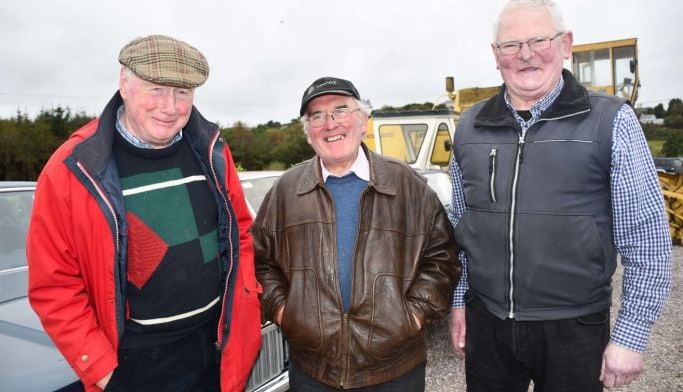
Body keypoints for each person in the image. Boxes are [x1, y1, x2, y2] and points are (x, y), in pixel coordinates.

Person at [448, 1, 673, 390]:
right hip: (487, 322)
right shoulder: (469, 126)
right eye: (511, 45)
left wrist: (630, 336)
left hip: (575, 328)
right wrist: (460, 299)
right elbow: (461, 225)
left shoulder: (611, 121)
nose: (526, 54)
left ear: (566, 44)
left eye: (539, 39)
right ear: (495, 56)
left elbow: (647, 238)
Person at [27, 34, 262, 392]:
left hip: (215, 350)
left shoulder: (213, 151)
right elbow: (54, 286)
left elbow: (241, 235)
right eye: (155, 89)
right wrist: (106, 373)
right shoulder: (73, 168)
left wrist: (244, 310)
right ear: (124, 83)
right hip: (135, 366)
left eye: (182, 92)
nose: (169, 107)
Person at [251, 76, 461, 391]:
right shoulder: (285, 191)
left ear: (362, 121)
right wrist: (285, 312)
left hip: (395, 371)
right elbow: (260, 261)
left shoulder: (406, 185)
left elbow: (442, 257)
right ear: (309, 133)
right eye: (317, 117)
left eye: (340, 111)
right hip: (313, 372)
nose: (330, 124)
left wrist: (413, 315)